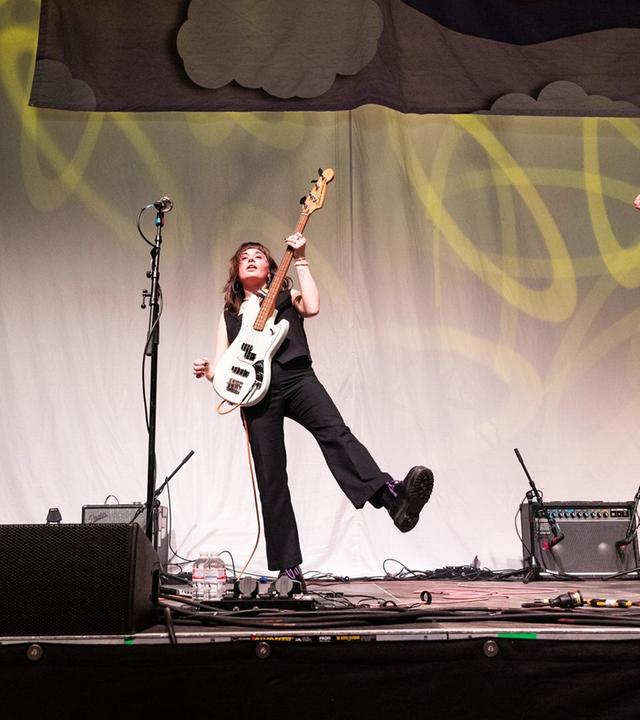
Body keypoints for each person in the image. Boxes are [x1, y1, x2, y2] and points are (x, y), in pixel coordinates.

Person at [193, 233, 434, 586]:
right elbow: (223, 367)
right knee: (271, 478)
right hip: (257, 393)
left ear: (271, 269)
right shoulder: (229, 315)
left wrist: (302, 259)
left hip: (296, 377)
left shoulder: (285, 298)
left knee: (336, 434)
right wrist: (208, 371)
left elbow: (313, 306)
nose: (251, 259)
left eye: (259, 256)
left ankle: (392, 497)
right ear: (236, 271)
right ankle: (288, 569)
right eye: (245, 257)